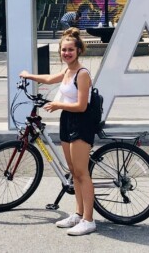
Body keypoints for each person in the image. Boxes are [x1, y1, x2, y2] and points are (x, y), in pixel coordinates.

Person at [20, 28, 97, 236]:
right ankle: (79, 214)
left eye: (70, 50)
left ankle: (89, 220)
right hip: (67, 121)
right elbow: (48, 79)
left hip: (81, 122)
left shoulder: (82, 74)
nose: (67, 53)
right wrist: (28, 75)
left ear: (78, 50)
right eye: (63, 50)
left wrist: (58, 104)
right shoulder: (67, 72)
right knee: (73, 172)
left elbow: (82, 106)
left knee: (82, 173)